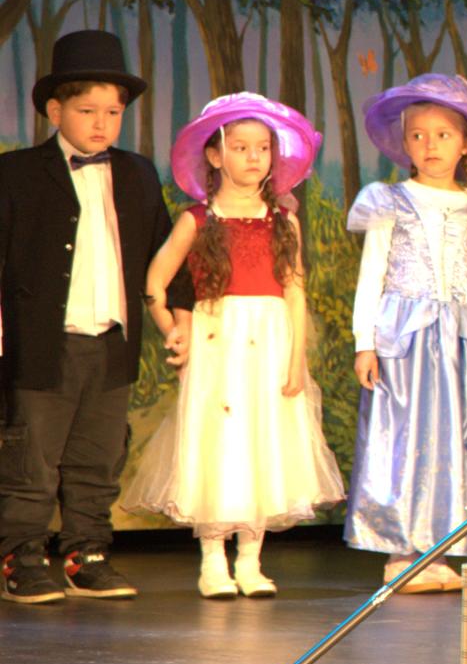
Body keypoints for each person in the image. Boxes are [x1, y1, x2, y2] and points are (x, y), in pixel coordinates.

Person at [0, 30, 194, 603]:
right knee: (32, 458)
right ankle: (21, 555)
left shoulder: (136, 173)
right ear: (55, 110)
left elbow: (165, 253)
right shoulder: (16, 174)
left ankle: (86, 553)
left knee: (99, 456)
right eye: (87, 111)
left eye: (113, 112)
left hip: (110, 339)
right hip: (42, 341)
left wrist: (179, 315)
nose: (102, 124)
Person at [125, 94, 346, 598]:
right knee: (220, 443)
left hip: (269, 342)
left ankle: (250, 560)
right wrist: (171, 327)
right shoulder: (197, 220)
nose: (253, 157)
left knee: (263, 442)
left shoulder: (283, 220)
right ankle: (212, 561)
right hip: (217, 340)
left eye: (263, 148)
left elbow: (295, 290)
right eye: (241, 147)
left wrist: (297, 359)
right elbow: (156, 281)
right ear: (215, 154)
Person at [344, 73, 467, 592]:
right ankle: (401, 554)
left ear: (466, 143)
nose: (430, 145)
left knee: (453, 443)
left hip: (462, 344)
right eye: (418, 135)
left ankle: (439, 553)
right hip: (403, 339)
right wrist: (365, 344)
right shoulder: (388, 201)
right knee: (403, 441)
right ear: (405, 144)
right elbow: (372, 276)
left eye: (443, 135)